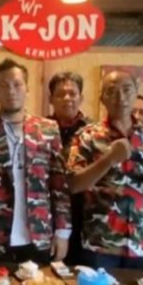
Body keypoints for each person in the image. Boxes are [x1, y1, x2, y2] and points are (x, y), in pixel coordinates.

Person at [0, 58, 71, 264]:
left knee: (38, 284)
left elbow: (59, 184)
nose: (11, 91)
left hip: (37, 237)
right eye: (4, 86)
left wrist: (62, 232)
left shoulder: (48, 129)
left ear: (27, 89)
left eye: (17, 85)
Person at [67, 70, 143, 269]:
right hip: (101, 242)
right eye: (112, 92)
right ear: (102, 99)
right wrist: (108, 159)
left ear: (136, 92)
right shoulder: (87, 136)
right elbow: (73, 184)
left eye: (126, 90)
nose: (120, 97)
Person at [48, 71, 91, 266]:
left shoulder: (94, 132)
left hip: (86, 214)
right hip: (50, 214)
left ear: (81, 98)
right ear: (51, 99)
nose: (67, 98)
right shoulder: (40, 130)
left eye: (72, 93)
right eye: (60, 94)